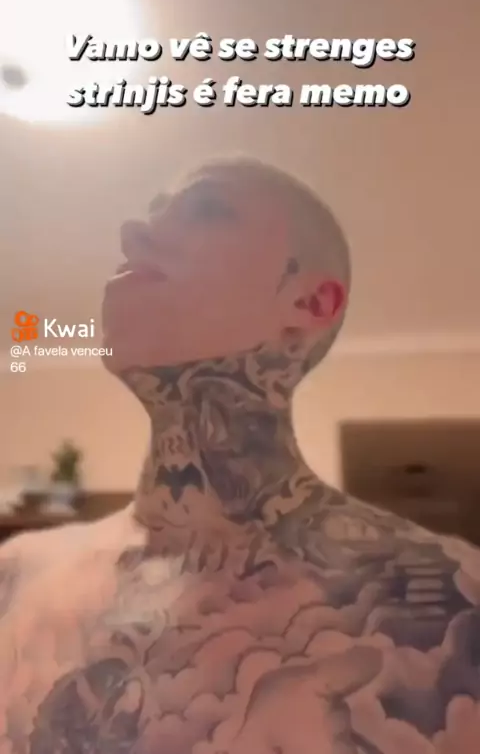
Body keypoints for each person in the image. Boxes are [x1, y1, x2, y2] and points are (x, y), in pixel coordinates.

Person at [1, 157, 479, 754]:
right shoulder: (14, 575)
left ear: (310, 303)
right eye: (150, 214)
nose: (132, 234)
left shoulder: (459, 598)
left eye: (205, 209)